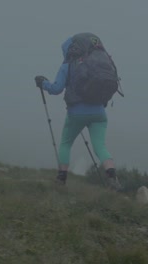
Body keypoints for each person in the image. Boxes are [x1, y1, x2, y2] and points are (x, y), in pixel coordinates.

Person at [34, 33, 122, 190]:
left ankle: (61, 179)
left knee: (66, 144)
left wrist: (43, 83)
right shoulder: (98, 61)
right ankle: (112, 177)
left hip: (77, 113)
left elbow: (56, 89)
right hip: (99, 113)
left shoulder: (68, 65)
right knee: (100, 146)